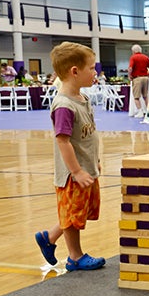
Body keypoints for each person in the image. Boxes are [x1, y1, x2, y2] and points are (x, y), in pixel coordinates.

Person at [35, 41, 105, 272]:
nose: (96, 72)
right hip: (71, 173)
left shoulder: (82, 98)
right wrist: (76, 170)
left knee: (78, 211)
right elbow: (63, 140)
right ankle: (75, 256)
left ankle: (49, 237)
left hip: (86, 165)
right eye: (92, 68)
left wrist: (94, 161)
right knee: (73, 213)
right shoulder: (64, 105)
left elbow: (87, 135)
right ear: (75, 71)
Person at [128, 44, 149, 118]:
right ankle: (148, 111)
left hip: (137, 78)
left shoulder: (133, 57)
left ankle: (140, 112)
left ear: (133, 51)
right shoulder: (145, 57)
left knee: (136, 97)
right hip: (145, 78)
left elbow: (130, 68)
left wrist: (130, 76)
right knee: (145, 96)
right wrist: (148, 74)